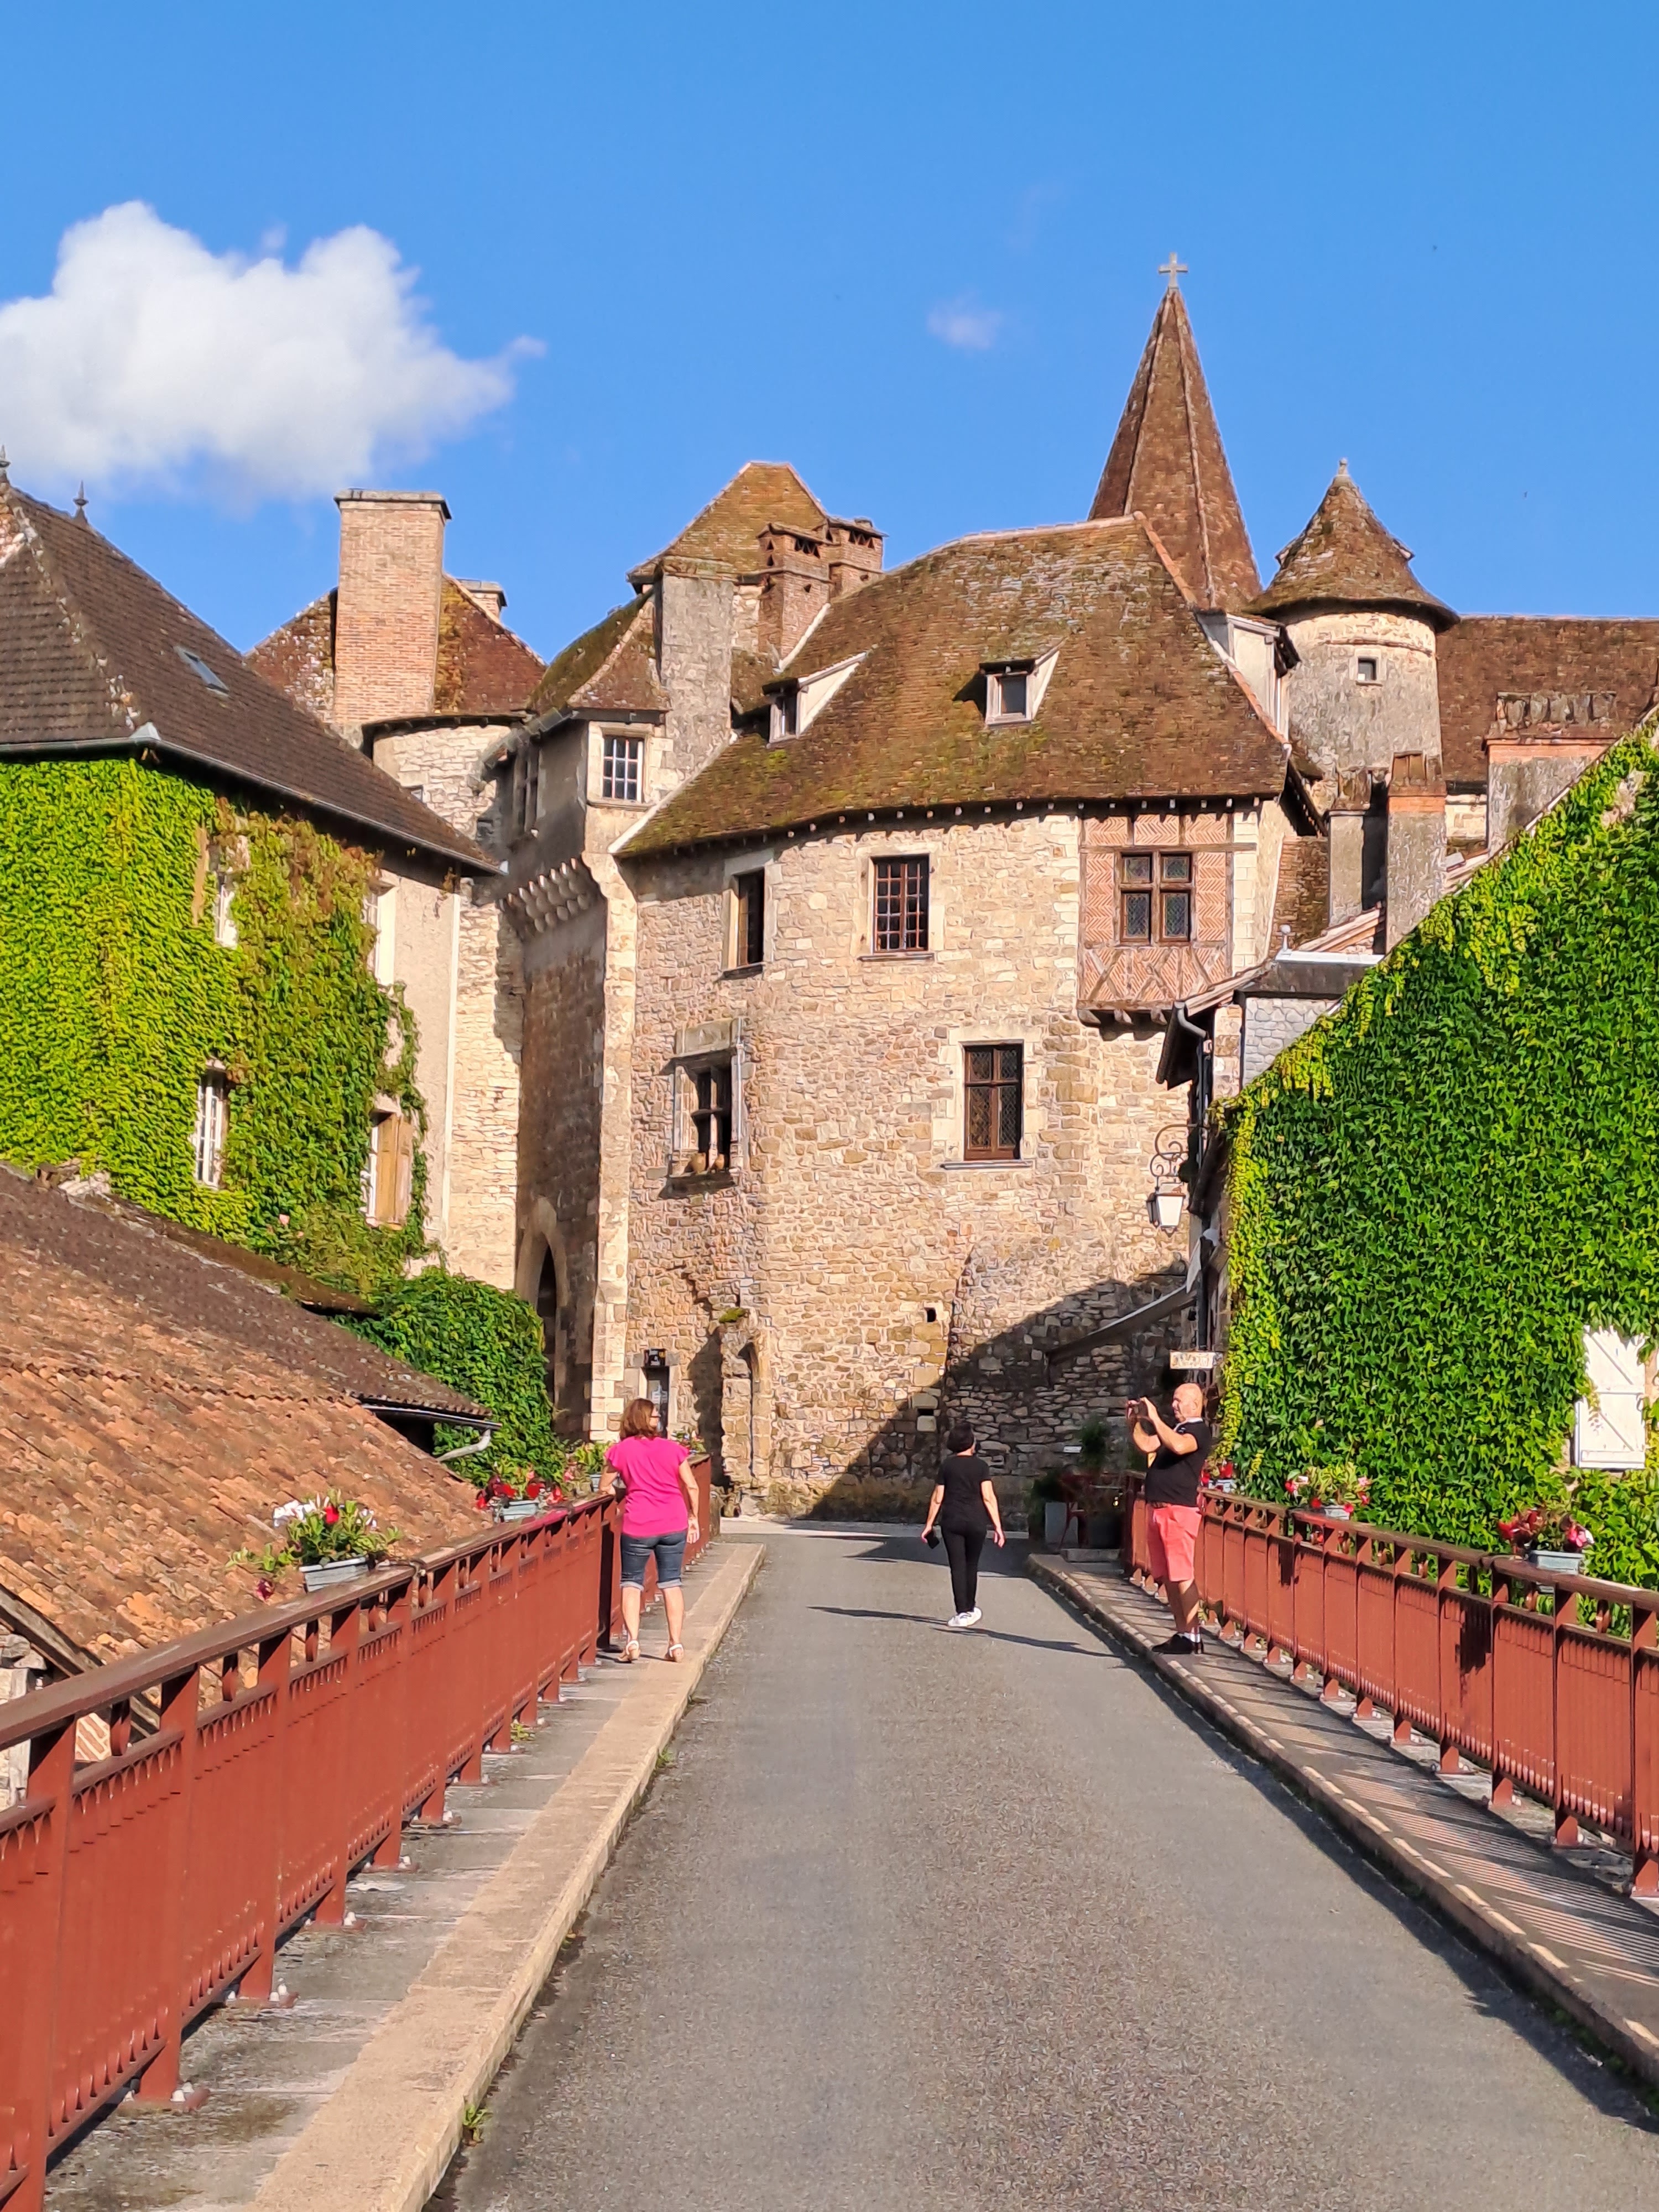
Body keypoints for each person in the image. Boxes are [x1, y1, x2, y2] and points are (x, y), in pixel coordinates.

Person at [604, 1398, 701, 1662]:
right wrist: (693, 1517)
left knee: (631, 1582)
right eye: (655, 1416)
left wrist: (622, 1492)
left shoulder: (621, 1451)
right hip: (674, 1522)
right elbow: (692, 1486)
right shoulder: (673, 1449)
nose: (658, 1420)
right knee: (671, 1583)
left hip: (638, 1524)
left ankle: (633, 1642)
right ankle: (676, 1645)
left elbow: (604, 1487)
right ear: (646, 1420)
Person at [1130, 1381, 1212, 1655]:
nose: (1174, 1405)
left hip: (1178, 1511)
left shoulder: (1198, 1431)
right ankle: (1182, 1632)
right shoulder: (1177, 1429)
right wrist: (1135, 1422)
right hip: (1160, 1510)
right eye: (1173, 1400)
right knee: (1169, 1576)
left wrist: (1155, 1417)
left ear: (1194, 1404)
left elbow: (1178, 1447)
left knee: (1183, 1575)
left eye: (1179, 1401)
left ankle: (1193, 1635)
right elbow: (1148, 1444)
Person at [920, 1421, 1005, 1627]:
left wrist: (929, 1524)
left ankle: (962, 1612)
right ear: (971, 1443)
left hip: (952, 1522)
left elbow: (937, 1498)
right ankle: (971, 1608)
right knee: (971, 1566)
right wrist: (998, 1527)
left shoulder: (947, 1466)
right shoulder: (981, 1467)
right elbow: (988, 1497)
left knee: (957, 1567)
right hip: (976, 1521)